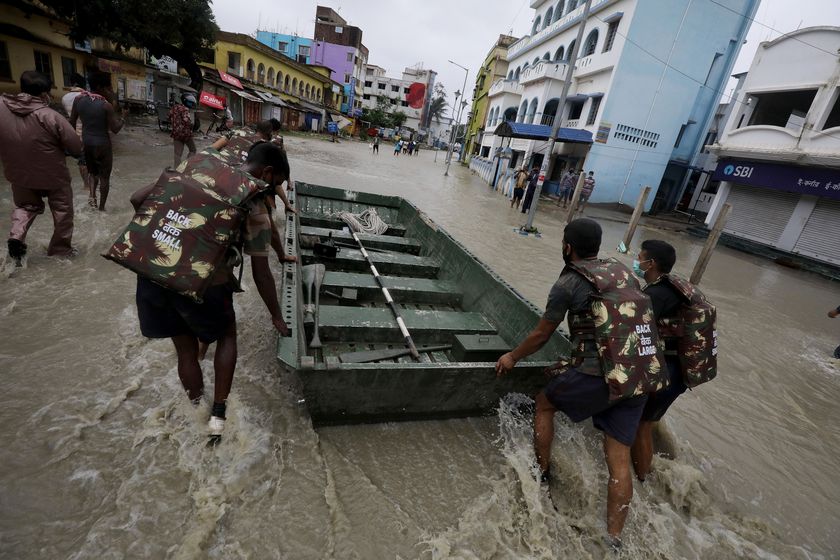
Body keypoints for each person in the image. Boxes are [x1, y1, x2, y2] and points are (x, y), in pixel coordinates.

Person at [496, 219, 667, 546]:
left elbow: (542, 334)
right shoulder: (623, 272)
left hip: (598, 375)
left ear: (567, 247)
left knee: (544, 402)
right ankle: (614, 538)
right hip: (639, 375)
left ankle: (541, 473)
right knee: (619, 461)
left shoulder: (568, 284)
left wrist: (511, 357)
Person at [129, 141, 291, 441]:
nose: (273, 190)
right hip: (204, 284)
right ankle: (217, 417)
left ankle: (194, 408)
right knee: (227, 334)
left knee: (186, 350)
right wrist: (277, 317)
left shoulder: (199, 167)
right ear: (266, 172)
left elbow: (137, 198)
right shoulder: (253, 203)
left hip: (156, 274)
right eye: (276, 183)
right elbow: (261, 272)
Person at [1, 71, 82, 265]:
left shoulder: (1, 107)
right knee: (62, 211)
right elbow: (76, 147)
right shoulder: (50, 116)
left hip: (18, 173)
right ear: (45, 94)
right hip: (53, 175)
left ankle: (16, 236)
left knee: (26, 206)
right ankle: (60, 252)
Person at [629, 240, 686, 481]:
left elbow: (634, 332)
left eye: (639, 256)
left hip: (668, 372)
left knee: (642, 425)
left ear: (650, 263)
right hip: (681, 370)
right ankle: (649, 470)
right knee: (649, 421)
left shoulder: (655, 294)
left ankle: (643, 478)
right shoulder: (675, 288)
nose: (637, 260)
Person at [70, 71, 125, 211]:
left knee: (92, 173)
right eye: (108, 88)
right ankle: (101, 208)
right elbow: (115, 129)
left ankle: (92, 198)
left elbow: (71, 122)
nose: (110, 91)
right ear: (100, 87)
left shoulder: (79, 100)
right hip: (103, 145)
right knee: (104, 178)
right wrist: (123, 117)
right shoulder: (106, 105)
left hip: (87, 143)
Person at [60, 72, 90, 192]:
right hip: (85, 133)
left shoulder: (64, 98)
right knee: (84, 161)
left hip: (71, 134)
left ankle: (81, 184)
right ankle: (87, 186)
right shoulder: (86, 97)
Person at [169, 92, 197, 168]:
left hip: (176, 133)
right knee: (193, 150)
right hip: (185, 134)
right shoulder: (185, 109)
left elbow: (169, 118)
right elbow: (187, 121)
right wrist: (192, 126)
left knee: (177, 154)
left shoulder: (174, 108)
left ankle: (177, 170)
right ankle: (186, 166)